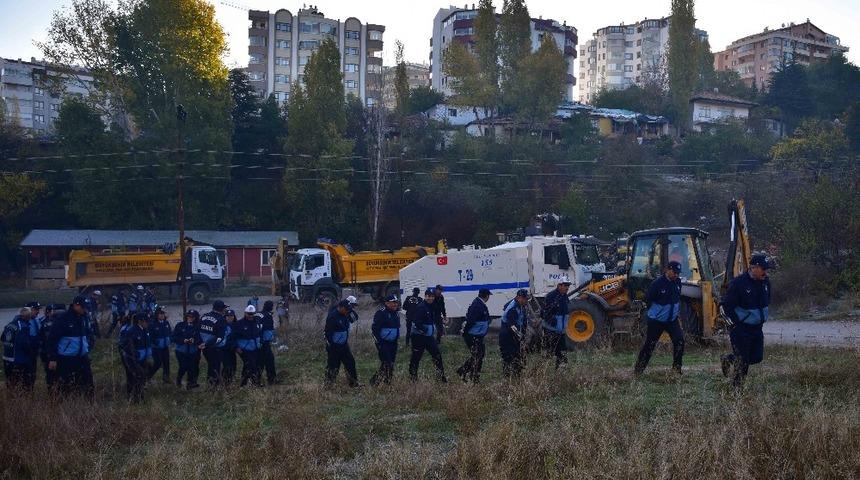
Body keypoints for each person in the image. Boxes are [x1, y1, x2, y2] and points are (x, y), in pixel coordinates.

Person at [720, 254, 771, 388]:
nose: (766, 272)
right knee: (743, 362)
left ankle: (728, 359)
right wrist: (734, 325)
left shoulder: (766, 282)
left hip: (757, 328)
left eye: (767, 269)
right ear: (753, 268)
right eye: (763, 269)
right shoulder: (738, 284)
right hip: (741, 329)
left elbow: (767, 300)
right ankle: (737, 392)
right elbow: (725, 306)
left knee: (757, 357)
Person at [634, 261, 685, 375]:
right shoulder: (657, 284)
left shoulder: (678, 282)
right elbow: (648, 300)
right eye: (674, 272)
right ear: (668, 270)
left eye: (678, 273)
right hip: (656, 321)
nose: (676, 275)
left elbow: (677, 299)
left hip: (672, 320)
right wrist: (657, 312)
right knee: (650, 345)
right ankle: (638, 371)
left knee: (679, 341)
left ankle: (677, 370)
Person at [46, 296, 95, 399]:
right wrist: (53, 358)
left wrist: (88, 347)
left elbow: (89, 334)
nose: (85, 310)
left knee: (88, 384)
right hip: (66, 359)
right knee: (65, 386)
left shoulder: (84, 317)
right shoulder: (63, 319)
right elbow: (52, 339)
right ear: (76, 305)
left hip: (82, 357)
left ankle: (88, 406)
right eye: (83, 307)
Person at [407, 289, 447, 382]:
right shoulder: (421, 307)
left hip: (429, 337)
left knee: (437, 355)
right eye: (428, 296)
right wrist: (424, 330)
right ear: (425, 296)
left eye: (432, 296)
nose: (431, 298)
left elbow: (435, 319)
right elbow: (417, 322)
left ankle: (440, 377)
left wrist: (439, 328)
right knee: (416, 357)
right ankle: (413, 378)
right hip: (418, 337)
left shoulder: (432, 306)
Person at [456, 289, 492, 383]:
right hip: (473, 336)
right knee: (478, 356)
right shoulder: (477, 305)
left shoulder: (479, 304)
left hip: (478, 335)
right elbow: (471, 321)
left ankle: (464, 371)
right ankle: (473, 376)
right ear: (486, 296)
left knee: (479, 355)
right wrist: (466, 333)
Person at [323, 299, 360, 387]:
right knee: (333, 366)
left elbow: (355, 317)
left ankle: (353, 383)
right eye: (346, 309)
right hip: (333, 346)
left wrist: (350, 312)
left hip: (344, 345)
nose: (348, 311)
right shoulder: (332, 317)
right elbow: (327, 334)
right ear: (340, 307)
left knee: (350, 363)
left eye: (349, 309)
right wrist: (332, 346)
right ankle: (328, 385)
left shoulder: (346, 314)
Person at [2, 307, 39, 390]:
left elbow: (2, 338)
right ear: (28, 316)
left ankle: (11, 400)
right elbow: (25, 344)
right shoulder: (23, 326)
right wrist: (32, 353)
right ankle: (23, 401)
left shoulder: (9, 324)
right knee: (24, 385)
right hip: (19, 360)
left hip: (7, 358)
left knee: (10, 383)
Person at [119, 312, 151, 403]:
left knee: (142, 375)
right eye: (146, 321)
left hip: (142, 358)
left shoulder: (144, 330)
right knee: (136, 376)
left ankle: (139, 396)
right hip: (132, 359)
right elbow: (124, 345)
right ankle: (133, 397)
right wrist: (134, 355)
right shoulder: (131, 331)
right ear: (140, 321)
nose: (147, 323)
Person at [370, 294, 401, 386]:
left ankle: (383, 381)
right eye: (393, 302)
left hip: (393, 343)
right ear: (387, 303)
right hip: (383, 343)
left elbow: (397, 327)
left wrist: (396, 338)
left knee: (390, 363)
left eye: (396, 302)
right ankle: (378, 382)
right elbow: (375, 330)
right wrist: (380, 343)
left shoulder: (396, 313)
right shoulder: (381, 313)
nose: (395, 304)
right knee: (387, 363)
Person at [541, 280, 572, 368]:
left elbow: (565, 311)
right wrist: (553, 321)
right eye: (565, 285)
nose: (567, 288)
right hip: (551, 330)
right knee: (550, 352)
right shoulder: (551, 296)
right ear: (559, 285)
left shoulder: (564, 296)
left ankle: (561, 370)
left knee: (563, 351)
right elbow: (544, 313)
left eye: (568, 285)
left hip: (561, 330)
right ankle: (546, 371)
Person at [500, 289, 530, 379]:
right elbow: (512, 326)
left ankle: (517, 376)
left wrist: (523, 335)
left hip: (515, 336)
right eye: (525, 299)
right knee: (509, 358)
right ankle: (508, 378)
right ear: (519, 297)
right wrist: (521, 338)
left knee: (519, 357)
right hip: (507, 337)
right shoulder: (512, 308)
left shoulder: (521, 306)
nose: (526, 301)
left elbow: (523, 322)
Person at [198, 300, 228, 387]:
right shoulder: (221, 319)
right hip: (214, 348)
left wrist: (201, 343)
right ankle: (213, 386)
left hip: (204, 347)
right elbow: (219, 337)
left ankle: (210, 384)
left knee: (211, 365)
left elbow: (197, 331)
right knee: (215, 367)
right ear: (221, 309)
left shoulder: (204, 316)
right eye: (224, 308)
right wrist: (208, 344)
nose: (224, 310)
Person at [172, 310, 201, 389]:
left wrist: (194, 340)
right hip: (181, 350)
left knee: (192, 367)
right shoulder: (180, 325)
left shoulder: (198, 327)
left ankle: (190, 383)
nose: (190, 318)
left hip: (193, 351)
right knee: (183, 366)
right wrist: (183, 340)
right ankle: (179, 379)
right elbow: (174, 337)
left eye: (192, 317)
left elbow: (200, 338)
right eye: (188, 316)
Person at [234, 305, 261, 387]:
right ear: (245, 313)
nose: (250, 316)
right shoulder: (239, 324)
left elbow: (259, 334)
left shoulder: (257, 321)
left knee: (249, 366)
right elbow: (233, 337)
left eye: (252, 314)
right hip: (244, 349)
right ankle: (255, 383)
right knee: (251, 365)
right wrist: (236, 347)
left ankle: (243, 383)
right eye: (249, 314)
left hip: (255, 348)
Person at [38, 304, 64, 388]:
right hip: (59, 353)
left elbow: (41, 339)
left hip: (48, 353)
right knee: (59, 375)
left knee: (50, 376)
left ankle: (52, 394)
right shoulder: (62, 322)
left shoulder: (43, 322)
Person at [148, 306, 172, 384]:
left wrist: (170, 340)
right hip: (156, 348)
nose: (162, 315)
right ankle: (147, 376)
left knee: (166, 362)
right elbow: (150, 336)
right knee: (157, 363)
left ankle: (166, 378)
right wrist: (156, 342)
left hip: (165, 347)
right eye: (160, 314)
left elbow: (169, 332)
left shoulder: (166, 323)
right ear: (156, 315)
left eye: (163, 314)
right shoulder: (152, 324)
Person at [256, 300, 278, 385]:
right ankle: (271, 380)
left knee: (259, 362)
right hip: (264, 343)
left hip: (255, 342)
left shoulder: (258, 314)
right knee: (269, 361)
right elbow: (268, 331)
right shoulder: (268, 316)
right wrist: (272, 340)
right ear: (270, 307)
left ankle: (256, 380)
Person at [221, 309, 238, 385]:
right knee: (227, 366)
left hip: (232, 349)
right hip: (224, 349)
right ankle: (226, 382)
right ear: (225, 317)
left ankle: (231, 380)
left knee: (233, 365)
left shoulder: (236, 325)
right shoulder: (222, 326)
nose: (229, 317)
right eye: (228, 316)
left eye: (231, 316)